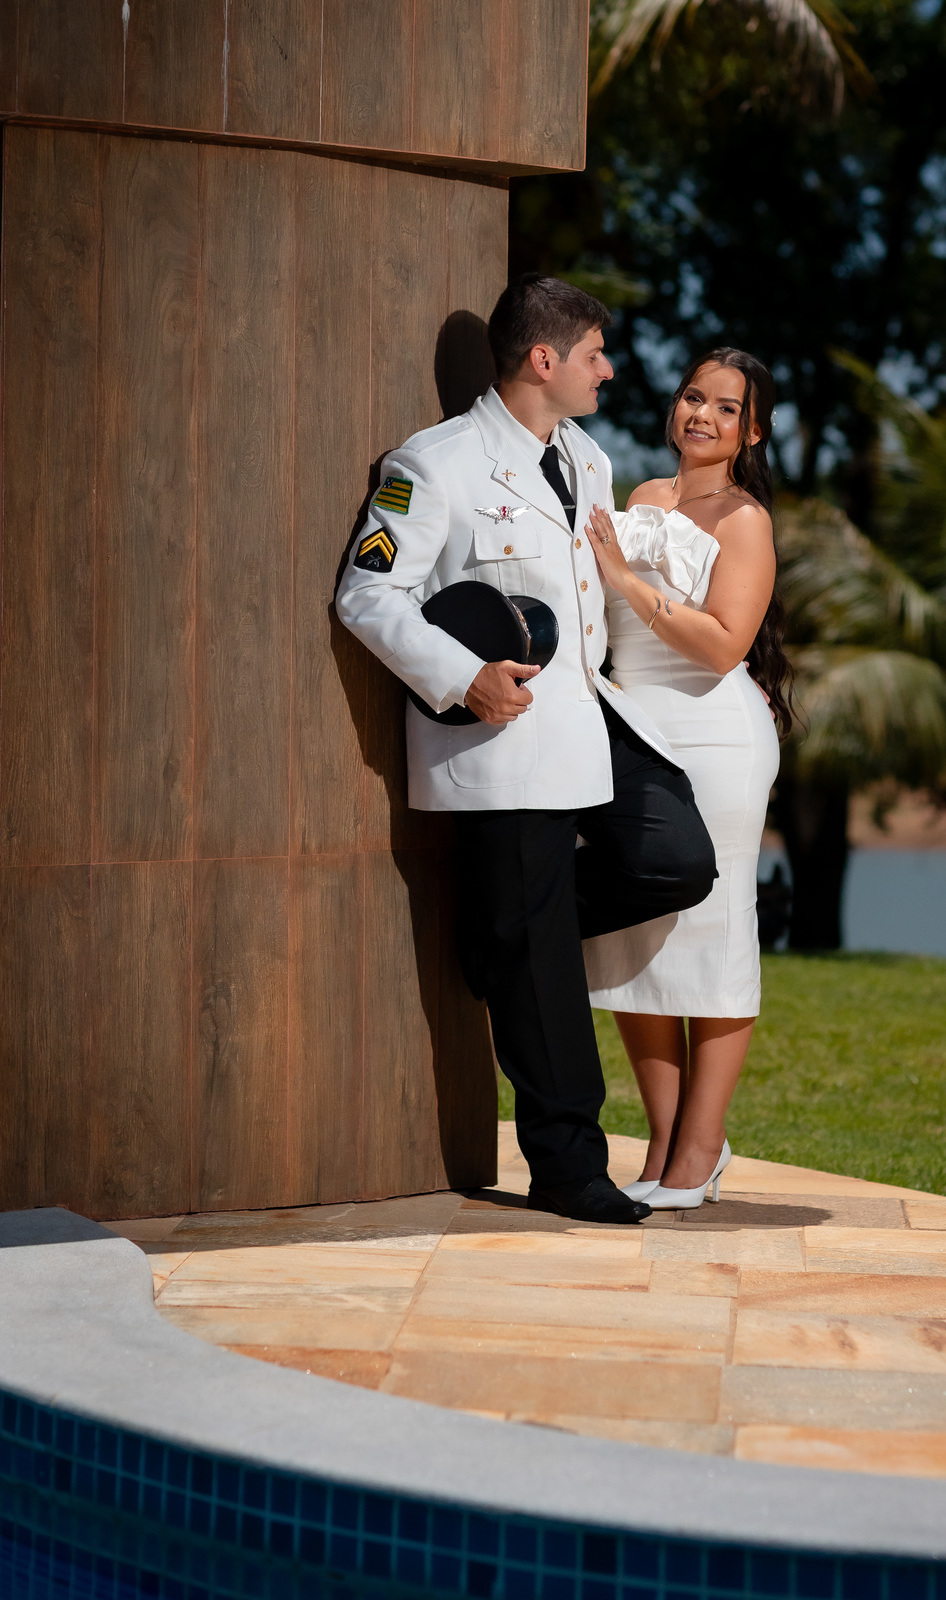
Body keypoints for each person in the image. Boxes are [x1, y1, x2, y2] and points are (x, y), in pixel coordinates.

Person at [336, 276, 718, 1226]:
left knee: (676, 858)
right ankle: (568, 1170)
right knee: (543, 963)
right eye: (595, 352)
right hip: (500, 740)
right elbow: (367, 595)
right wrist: (462, 674)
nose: (609, 369)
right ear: (544, 360)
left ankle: (499, 941)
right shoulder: (433, 465)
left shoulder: (585, 457)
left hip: (586, 720)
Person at [582, 348, 794, 1208]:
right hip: (635, 729)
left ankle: (701, 1148)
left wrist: (622, 579)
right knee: (634, 927)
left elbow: (722, 644)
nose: (701, 414)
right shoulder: (640, 497)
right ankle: (664, 1140)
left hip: (714, 737)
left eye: (726, 407)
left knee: (713, 931)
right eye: (693, 396)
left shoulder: (744, 520)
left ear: (753, 431)